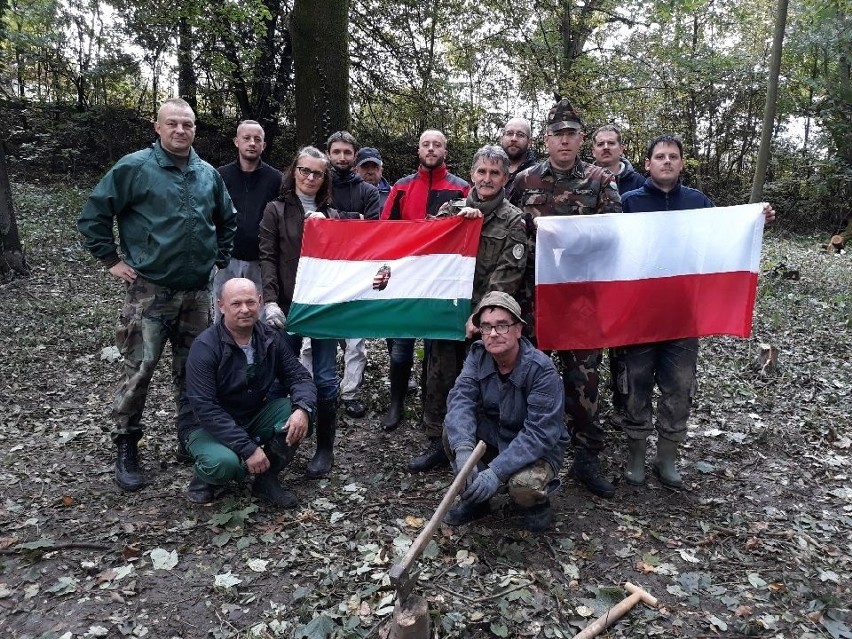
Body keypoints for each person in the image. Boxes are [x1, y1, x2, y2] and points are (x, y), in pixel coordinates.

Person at [78, 97, 236, 492]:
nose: (180, 130)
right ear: (157, 126)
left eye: (188, 124)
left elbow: (227, 220)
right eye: (173, 123)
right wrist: (111, 259)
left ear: (195, 129)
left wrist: (218, 258)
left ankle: (191, 437)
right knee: (140, 370)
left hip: (197, 294)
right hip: (149, 292)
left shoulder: (207, 174)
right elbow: (94, 215)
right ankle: (127, 444)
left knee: (196, 371)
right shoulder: (135, 167)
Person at [618, 134, 775, 488]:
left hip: (684, 316)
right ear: (647, 164)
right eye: (660, 156)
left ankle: (667, 459)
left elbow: (724, 234)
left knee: (679, 387)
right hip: (639, 316)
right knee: (636, 387)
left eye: (674, 156)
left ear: (682, 163)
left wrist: (755, 219)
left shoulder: (698, 201)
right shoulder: (628, 203)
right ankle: (636, 458)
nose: (667, 161)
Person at [509, 98, 622, 499]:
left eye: (572, 133)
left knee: (583, 382)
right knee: (530, 376)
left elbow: (614, 234)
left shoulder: (599, 181)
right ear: (546, 138)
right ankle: (527, 447)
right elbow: (506, 228)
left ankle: (586, 456)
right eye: (557, 133)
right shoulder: (525, 181)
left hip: (580, 301)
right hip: (533, 299)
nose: (564, 140)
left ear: (581, 139)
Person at [406, 145, 527, 472]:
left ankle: (479, 447)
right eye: (481, 172)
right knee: (440, 376)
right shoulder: (451, 208)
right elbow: (425, 246)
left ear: (505, 178)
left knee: (482, 384)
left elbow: (507, 277)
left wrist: (480, 318)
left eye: (495, 173)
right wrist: (456, 221)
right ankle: (438, 441)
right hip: (447, 316)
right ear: (472, 174)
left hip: (488, 321)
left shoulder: (514, 220)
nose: (487, 179)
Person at [259, 146, 359, 478]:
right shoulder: (275, 210)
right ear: (294, 171)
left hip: (323, 309)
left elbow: (347, 259)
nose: (310, 178)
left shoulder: (332, 215)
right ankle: (277, 444)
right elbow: (268, 257)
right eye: (305, 170)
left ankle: (324, 448)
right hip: (286, 307)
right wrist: (269, 300)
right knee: (279, 377)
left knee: (327, 377)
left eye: (317, 173)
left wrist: (329, 225)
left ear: (325, 178)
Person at [178, 278, 316, 507]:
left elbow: (300, 377)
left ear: (260, 302)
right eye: (236, 304)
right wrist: (249, 448)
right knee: (224, 464)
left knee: (301, 415)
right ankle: (203, 479)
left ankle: (266, 479)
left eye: (250, 302)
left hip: (250, 414)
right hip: (204, 424)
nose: (245, 309)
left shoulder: (271, 338)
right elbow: (205, 407)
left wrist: (302, 409)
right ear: (221, 305)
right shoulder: (205, 347)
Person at [442, 291, 567, 531]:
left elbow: (540, 434)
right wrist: (465, 452)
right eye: (486, 327)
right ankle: (477, 499)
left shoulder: (542, 370)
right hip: (493, 434)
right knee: (454, 434)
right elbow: (461, 401)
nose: (494, 334)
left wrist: (496, 472)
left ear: (518, 329)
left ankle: (536, 505)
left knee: (524, 485)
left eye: (502, 326)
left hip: (535, 448)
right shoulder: (478, 355)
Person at [379, 130, 471, 436]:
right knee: (401, 348)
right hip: (405, 279)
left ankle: (431, 407)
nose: (431, 149)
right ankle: (396, 402)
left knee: (436, 349)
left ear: (446, 149)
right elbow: (384, 232)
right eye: (426, 144)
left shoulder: (460, 188)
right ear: (418, 149)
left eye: (437, 144)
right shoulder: (402, 187)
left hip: (440, 281)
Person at [317, 131, 380, 418]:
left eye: (347, 152)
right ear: (328, 154)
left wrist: (335, 220)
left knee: (356, 341)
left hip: (357, 271)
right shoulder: (318, 185)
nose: (341, 157)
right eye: (336, 152)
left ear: (355, 156)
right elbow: (313, 227)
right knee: (313, 338)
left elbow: (372, 230)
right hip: (322, 271)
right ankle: (315, 391)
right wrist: (352, 220)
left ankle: (350, 392)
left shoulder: (367, 191)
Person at [590, 124, 644, 429]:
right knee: (591, 349)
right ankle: (590, 408)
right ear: (594, 149)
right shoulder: (585, 179)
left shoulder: (639, 185)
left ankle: (624, 409)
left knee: (624, 351)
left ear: (622, 148)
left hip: (627, 277)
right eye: (601, 143)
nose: (606, 148)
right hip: (593, 278)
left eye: (612, 143)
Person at [214, 120, 282, 322]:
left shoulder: (275, 179)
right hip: (226, 259)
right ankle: (224, 352)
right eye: (246, 138)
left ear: (264, 145)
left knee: (258, 316)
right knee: (224, 313)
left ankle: (259, 353)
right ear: (236, 141)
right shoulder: (220, 176)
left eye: (257, 139)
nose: (252, 143)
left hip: (261, 260)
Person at [500, 117, 537, 192]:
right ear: (501, 139)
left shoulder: (537, 175)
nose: (514, 139)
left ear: (529, 142)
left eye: (520, 135)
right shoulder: (489, 171)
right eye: (509, 133)